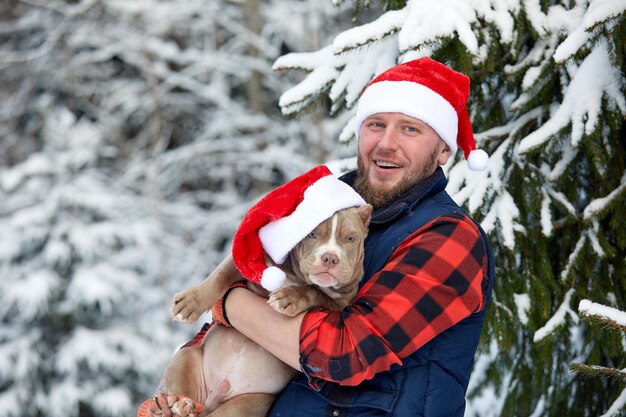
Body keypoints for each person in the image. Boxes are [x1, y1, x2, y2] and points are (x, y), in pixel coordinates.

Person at [153, 56, 494, 416]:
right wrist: (181, 393)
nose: (386, 143)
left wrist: (228, 301)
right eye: (376, 124)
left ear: (443, 150)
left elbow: (344, 354)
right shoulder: (323, 203)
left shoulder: (448, 236)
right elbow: (249, 280)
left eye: (410, 129)